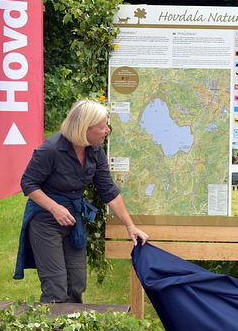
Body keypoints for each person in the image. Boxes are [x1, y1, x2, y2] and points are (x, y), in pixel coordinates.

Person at [14, 100, 148, 303]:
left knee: (76, 284)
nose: (107, 131)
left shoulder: (95, 152)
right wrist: (55, 208)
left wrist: (130, 226)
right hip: (45, 221)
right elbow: (28, 183)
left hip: (73, 220)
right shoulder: (50, 150)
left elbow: (108, 190)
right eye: (102, 127)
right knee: (56, 290)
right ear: (84, 128)